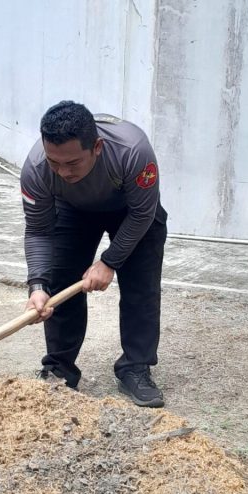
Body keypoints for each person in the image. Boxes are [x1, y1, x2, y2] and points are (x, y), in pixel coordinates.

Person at [20, 101, 167, 408]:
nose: (61, 170)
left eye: (72, 163)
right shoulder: (36, 168)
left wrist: (109, 261)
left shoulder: (132, 151)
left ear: (97, 147)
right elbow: (38, 231)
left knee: (142, 287)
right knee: (60, 283)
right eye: (54, 162)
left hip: (132, 211)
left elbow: (143, 213)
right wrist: (37, 285)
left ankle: (135, 367)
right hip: (72, 210)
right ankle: (59, 368)